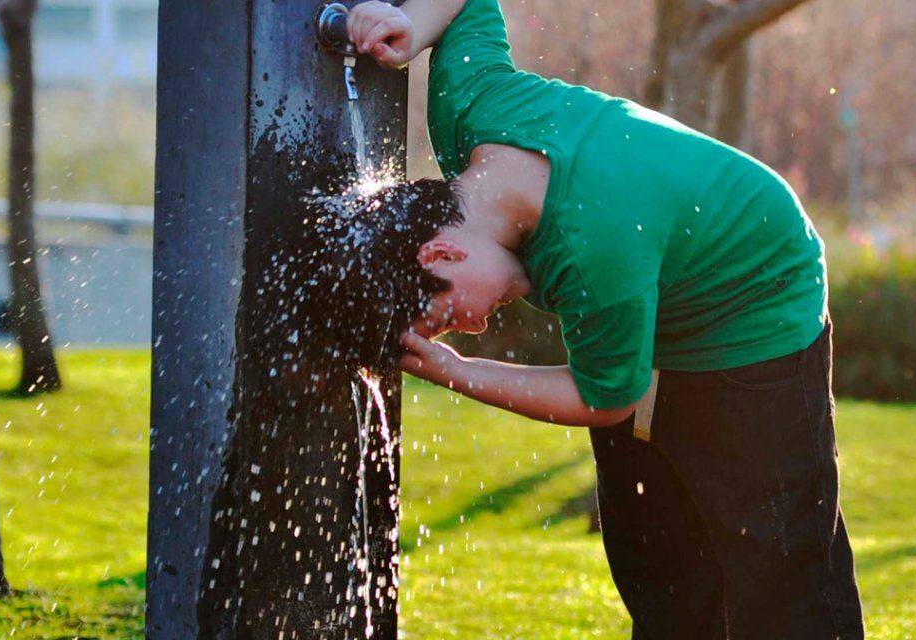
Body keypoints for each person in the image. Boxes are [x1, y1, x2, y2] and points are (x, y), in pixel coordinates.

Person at [342, 0, 865, 637]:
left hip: (757, 301)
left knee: (779, 571)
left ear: (442, 253)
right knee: (661, 568)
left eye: (449, 315)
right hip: (654, 288)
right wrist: (411, 29)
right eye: (453, 329)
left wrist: (455, 369)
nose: (473, 325)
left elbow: (606, 397)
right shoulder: (471, 110)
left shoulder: (594, 246)